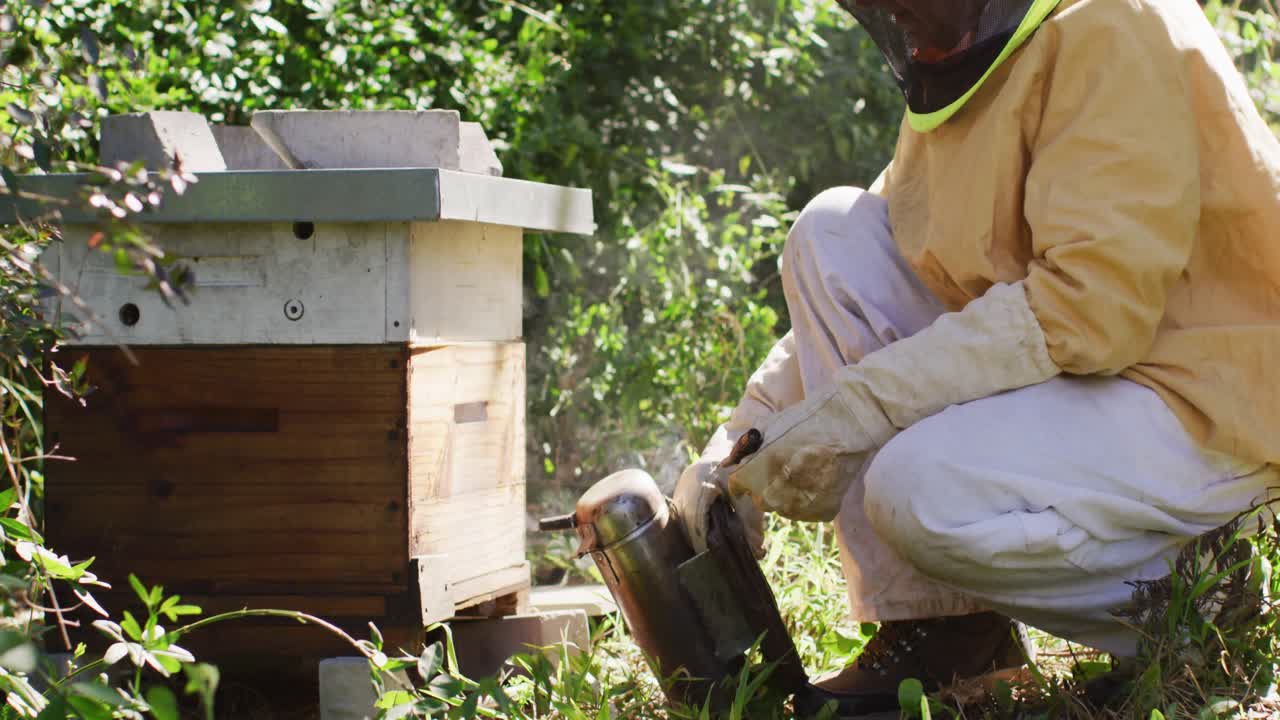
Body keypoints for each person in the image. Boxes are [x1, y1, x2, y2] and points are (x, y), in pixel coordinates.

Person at [672, 0, 1280, 699]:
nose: (900, 26)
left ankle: (1204, 599)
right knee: (832, 232)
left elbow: (1090, 308)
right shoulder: (967, 58)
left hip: (1205, 402)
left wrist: (866, 406)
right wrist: (740, 438)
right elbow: (902, 250)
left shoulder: (1114, 24)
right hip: (1097, 378)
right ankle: (952, 641)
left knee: (918, 490)